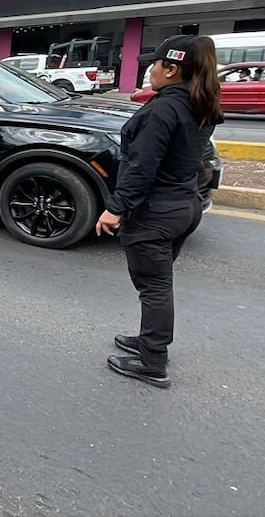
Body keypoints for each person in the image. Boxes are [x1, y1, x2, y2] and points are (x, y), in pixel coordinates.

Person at [96, 34, 223, 388]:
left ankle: (153, 361)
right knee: (156, 283)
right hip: (185, 206)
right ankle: (147, 340)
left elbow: (142, 166)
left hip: (156, 212)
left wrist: (115, 209)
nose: (150, 69)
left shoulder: (164, 109)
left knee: (153, 287)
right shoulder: (201, 102)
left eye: (155, 63)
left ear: (171, 69)